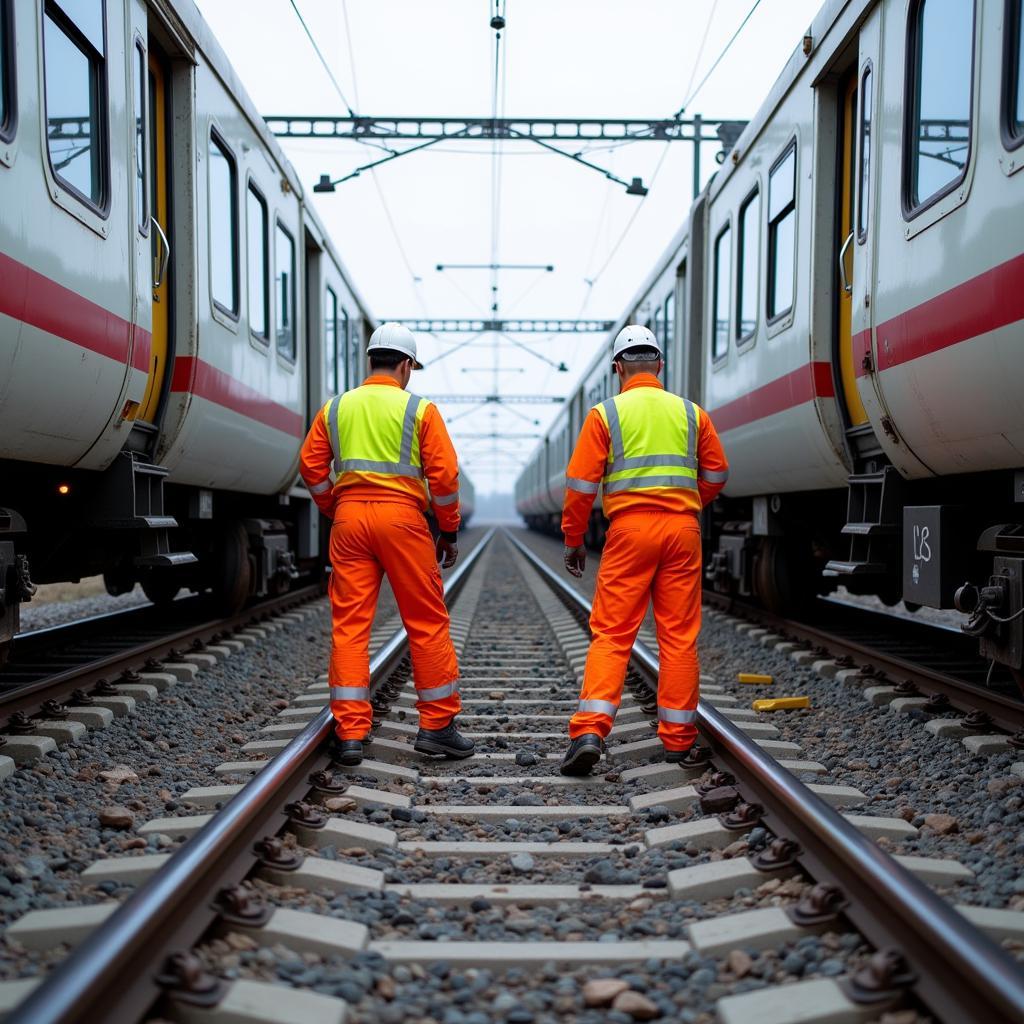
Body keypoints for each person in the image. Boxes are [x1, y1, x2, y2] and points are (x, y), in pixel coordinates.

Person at [299, 322, 474, 766]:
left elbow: (311, 466)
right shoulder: (420, 410)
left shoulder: (336, 408)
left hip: (350, 520)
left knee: (351, 627)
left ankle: (351, 734)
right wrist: (448, 529)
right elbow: (446, 478)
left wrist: (332, 509)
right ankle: (437, 727)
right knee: (426, 622)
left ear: (371, 361)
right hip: (404, 523)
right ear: (405, 365)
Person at [558, 324, 729, 775]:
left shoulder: (605, 414)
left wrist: (575, 540)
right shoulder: (692, 414)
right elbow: (716, 474)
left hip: (629, 533)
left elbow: (579, 487)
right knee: (677, 636)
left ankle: (591, 731)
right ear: (660, 366)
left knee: (612, 634)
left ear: (618, 369)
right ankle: (677, 741)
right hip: (682, 532)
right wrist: (687, 504)